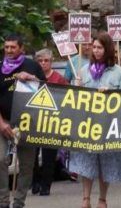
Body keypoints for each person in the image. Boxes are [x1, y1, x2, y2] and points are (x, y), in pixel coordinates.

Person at [70, 32, 121, 208]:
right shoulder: (83, 70)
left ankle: (102, 198)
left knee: (105, 164)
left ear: (107, 49)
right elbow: (72, 98)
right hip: (88, 124)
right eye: (94, 47)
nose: (96, 50)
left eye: (100, 47)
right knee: (86, 162)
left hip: (108, 125)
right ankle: (85, 198)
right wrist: (76, 86)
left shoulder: (117, 72)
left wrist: (112, 93)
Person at [0, 34, 45, 208]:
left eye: (13, 47)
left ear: (21, 49)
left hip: (27, 123)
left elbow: (45, 89)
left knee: (26, 166)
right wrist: (2, 123)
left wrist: (32, 78)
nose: (9, 50)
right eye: (7, 47)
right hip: (3, 122)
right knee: (0, 160)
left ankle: (19, 202)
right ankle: (3, 202)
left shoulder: (32, 66)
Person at [32, 49, 68, 196]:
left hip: (52, 122)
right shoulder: (33, 78)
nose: (43, 63)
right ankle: (35, 183)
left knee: (49, 156)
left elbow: (68, 96)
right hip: (34, 122)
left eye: (46, 60)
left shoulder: (58, 78)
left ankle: (46, 186)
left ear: (51, 61)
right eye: (40, 61)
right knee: (32, 155)